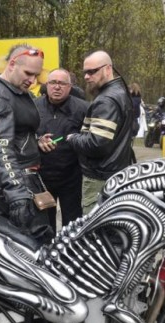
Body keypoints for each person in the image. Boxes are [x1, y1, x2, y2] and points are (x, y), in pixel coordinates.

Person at [0, 44, 53, 243]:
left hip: (27, 180)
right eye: (28, 73)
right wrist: (17, 193)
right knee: (29, 253)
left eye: (36, 75)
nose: (33, 80)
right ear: (12, 64)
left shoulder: (17, 91)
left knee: (41, 247)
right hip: (16, 184)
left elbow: (16, 135)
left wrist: (36, 141)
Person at [41, 50, 134, 214]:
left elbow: (97, 144)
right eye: (85, 72)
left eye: (92, 71)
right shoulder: (117, 94)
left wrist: (73, 137)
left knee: (89, 229)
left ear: (107, 69)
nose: (86, 77)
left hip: (95, 176)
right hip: (47, 177)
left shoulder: (105, 100)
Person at [35, 68, 88, 232]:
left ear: (70, 86)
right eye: (53, 83)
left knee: (72, 226)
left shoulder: (84, 108)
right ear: (47, 85)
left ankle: (70, 256)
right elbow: (21, 135)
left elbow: (92, 140)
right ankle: (46, 255)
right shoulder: (34, 106)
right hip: (42, 177)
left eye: (62, 83)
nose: (57, 87)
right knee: (44, 225)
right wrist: (37, 140)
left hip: (72, 177)